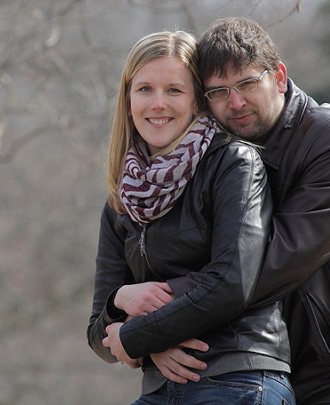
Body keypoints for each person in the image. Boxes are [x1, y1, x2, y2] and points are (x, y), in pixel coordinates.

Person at [164, 17, 330, 404]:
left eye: (247, 84)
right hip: (264, 375)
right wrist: (134, 319)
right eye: (219, 92)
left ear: (279, 77)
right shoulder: (215, 156)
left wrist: (157, 308)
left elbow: (263, 266)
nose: (235, 102)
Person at [87, 31, 295, 404]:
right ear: (129, 101)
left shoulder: (234, 164)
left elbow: (231, 283)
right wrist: (121, 298)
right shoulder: (121, 199)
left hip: (238, 377)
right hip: (160, 387)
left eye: (174, 90)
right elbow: (98, 337)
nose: (158, 104)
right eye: (145, 89)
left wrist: (140, 336)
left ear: (197, 100)